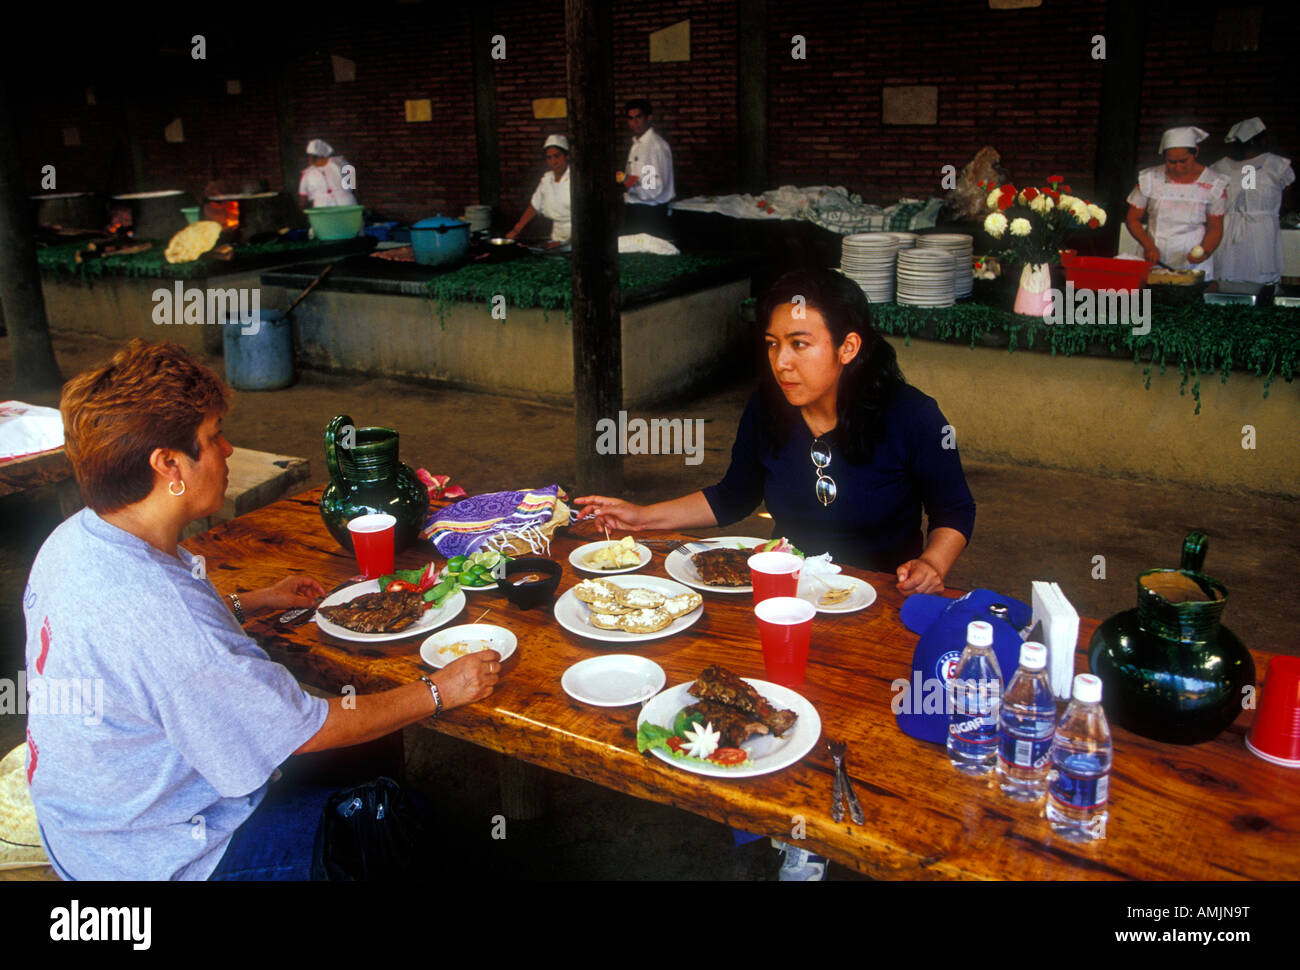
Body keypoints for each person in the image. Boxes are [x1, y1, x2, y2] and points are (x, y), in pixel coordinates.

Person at [24, 339, 499, 880]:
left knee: (370, 750)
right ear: (168, 464)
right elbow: (303, 730)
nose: (227, 450)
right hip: (153, 860)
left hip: (85, 830)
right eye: (212, 437)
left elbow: (148, 650)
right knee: (405, 821)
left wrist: (253, 601)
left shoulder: (76, 539)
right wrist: (440, 690)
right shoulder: (163, 613)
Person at [577, 266, 976, 595]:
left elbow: (954, 509)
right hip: (785, 591)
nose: (781, 361)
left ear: (848, 347)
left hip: (882, 595)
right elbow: (734, 496)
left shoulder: (913, 416)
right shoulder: (767, 409)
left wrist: (931, 565)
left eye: (799, 344)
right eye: (772, 344)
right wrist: (642, 518)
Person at [1124, 126, 1229, 279]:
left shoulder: (1214, 182)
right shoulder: (1150, 178)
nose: (1178, 167)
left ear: (1196, 153)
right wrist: (1148, 245)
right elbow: (1132, 219)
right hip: (1153, 257)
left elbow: (1215, 227)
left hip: (1192, 263)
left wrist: (1205, 251)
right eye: (1171, 162)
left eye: (1183, 161)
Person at [1210, 117, 1295, 285]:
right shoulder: (1219, 168)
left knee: (1261, 276)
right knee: (1227, 276)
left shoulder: (1276, 165)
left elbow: (1288, 202)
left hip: (1262, 232)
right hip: (1228, 232)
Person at [620, 99, 675, 239]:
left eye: (639, 117)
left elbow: (652, 188)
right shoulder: (638, 144)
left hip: (648, 215)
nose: (635, 122)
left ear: (649, 118)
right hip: (639, 211)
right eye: (631, 118)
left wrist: (628, 182)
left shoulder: (651, 146)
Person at [506, 134, 572, 248]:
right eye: (549, 158)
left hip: (576, 237)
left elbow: (586, 216)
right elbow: (534, 206)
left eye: (557, 156)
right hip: (556, 235)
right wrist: (516, 230)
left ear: (567, 156)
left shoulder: (575, 178)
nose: (553, 162)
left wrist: (565, 242)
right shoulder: (547, 179)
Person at [297, 138, 357, 209]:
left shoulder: (341, 164)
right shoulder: (307, 174)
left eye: (310, 156)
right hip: (331, 208)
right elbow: (354, 188)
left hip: (338, 207)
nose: (309, 159)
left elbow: (303, 200)